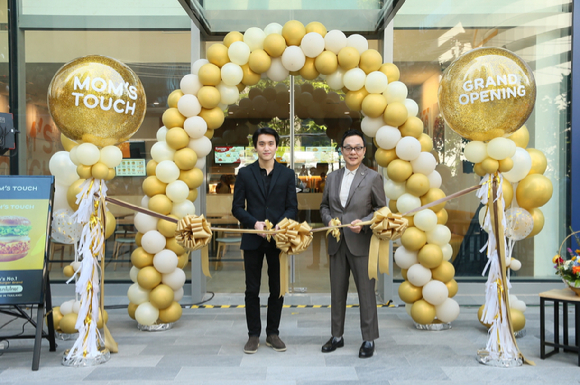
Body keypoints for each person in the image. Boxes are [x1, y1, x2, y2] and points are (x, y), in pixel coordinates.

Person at [319, 129, 386, 359]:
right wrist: (329, 221)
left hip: (362, 243)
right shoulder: (332, 177)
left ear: (364, 151)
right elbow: (324, 206)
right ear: (342, 150)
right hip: (337, 243)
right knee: (337, 293)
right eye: (348, 147)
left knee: (366, 293)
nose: (353, 152)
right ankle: (336, 336)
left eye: (358, 148)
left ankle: (369, 339)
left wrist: (365, 223)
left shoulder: (373, 177)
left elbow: (381, 210)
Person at [232, 127, 298, 354]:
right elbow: (237, 207)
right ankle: (253, 335)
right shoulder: (244, 174)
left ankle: (273, 333)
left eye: (270, 143)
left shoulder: (287, 174)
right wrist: (254, 223)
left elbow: (292, 207)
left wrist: (281, 223)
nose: (266, 148)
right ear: (256, 147)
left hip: (278, 240)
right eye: (262, 143)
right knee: (252, 289)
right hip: (253, 239)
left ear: (276, 146)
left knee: (276, 288)